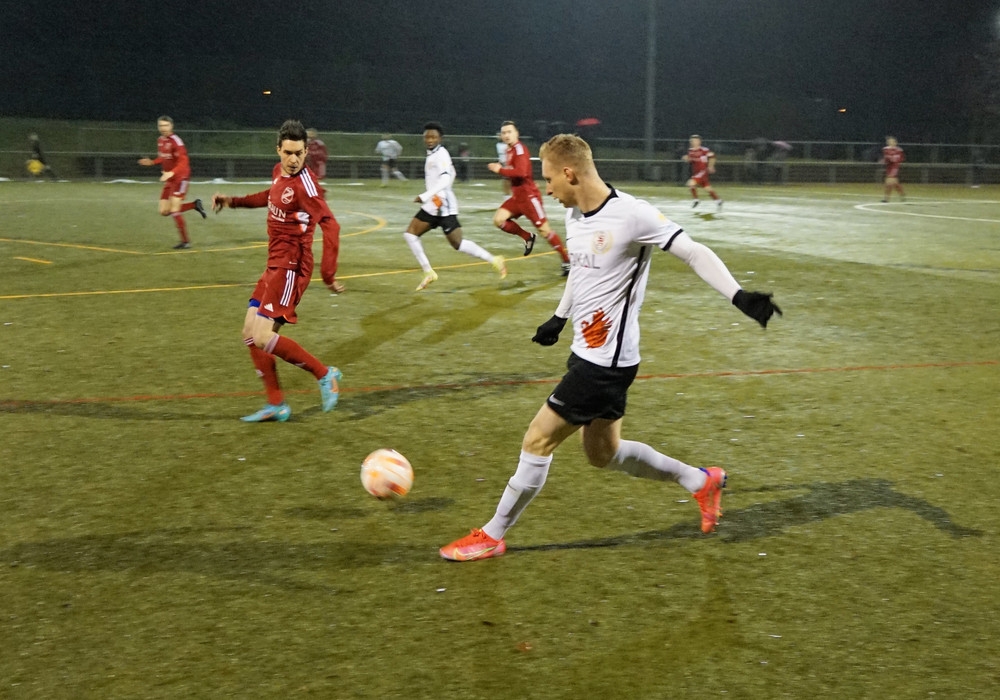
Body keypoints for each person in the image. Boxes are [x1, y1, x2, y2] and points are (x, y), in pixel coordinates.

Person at [439, 133, 782, 562]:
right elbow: (581, 273)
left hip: (606, 364)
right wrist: (559, 317)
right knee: (603, 454)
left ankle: (492, 535)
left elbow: (692, 252)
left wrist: (738, 295)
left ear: (570, 173)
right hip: (587, 351)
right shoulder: (575, 214)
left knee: (538, 440)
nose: (547, 189)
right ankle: (700, 481)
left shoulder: (633, 215)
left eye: (549, 179)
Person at [211, 119, 345, 423]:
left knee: (262, 336)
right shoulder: (279, 173)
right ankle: (276, 404)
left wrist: (328, 274)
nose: (293, 159)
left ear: (307, 151)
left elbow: (331, 225)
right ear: (278, 150)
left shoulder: (305, 186)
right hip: (274, 264)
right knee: (249, 333)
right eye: (288, 153)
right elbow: (268, 197)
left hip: (292, 267)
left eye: (299, 153)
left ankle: (325, 374)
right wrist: (233, 201)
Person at [403, 122, 507, 291]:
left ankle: (495, 260)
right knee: (411, 234)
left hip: (443, 206)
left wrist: (427, 195)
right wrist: (436, 195)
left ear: (440, 139)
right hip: (434, 204)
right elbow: (452, 173)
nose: (430, 140)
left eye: (433, 137)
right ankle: (428, 272)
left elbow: (445, 178)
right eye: (427, 137)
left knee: (457, 243)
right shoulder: (433, 154)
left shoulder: (441, 154)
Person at [488, 120, 571, 276]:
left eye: (509, 132)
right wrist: (503, 168)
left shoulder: (519, 149)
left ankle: (567, 261)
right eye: (504, 133)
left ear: (516, 133)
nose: (506, 135)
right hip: (517, 198)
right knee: (499, 220)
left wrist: (500, 170)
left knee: (545, 231)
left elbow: (521, 172)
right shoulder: (509, 150)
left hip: (529, 198)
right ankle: (527, 237)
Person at [137, 116, 206, 249]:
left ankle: (185, 242)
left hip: (181, 178)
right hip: (170, 179)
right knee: (164, 211)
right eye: (161, 126)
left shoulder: (176, 141)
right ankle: (194, 205)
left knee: (174, 210)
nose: (163, 128)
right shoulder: (160, 140)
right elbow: (163, 157)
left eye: (166, 125)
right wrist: (152, 162)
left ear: (171, 126)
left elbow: (183, 162)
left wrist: (171, 173)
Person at [681, 134, 722, 211]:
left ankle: (696, 200)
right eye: (691, 141)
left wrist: (711, 166)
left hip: (702, 171)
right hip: (696, 172)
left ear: (699, 141)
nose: (692, 142)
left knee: (691, 183)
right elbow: (691, 160)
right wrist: (686, 159)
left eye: (694, 140)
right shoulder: (691, 151)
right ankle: (718, 201)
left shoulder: (704, 150)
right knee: (707, 188)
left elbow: (712, 157)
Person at [880, 136, 906, 202]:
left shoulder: (899, 150)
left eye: (892, 141)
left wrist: (893, 159)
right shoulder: (885, 149)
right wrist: (885, 160)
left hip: (895, 167)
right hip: (889, 167)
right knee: (895, 183)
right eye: (889, 141)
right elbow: (886, 158)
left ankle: (886, 198)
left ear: (895, 142)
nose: (891, 143)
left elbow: (901, 158)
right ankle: (902, 194)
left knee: (889, 182)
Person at [496, 132, 512, 196]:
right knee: (505, 178)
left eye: (499, 136)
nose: (498, 137)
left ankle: (508, 192)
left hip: (508, 163)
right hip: (503, 163)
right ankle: (506, 191)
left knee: (508, 178)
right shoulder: (498, 144)